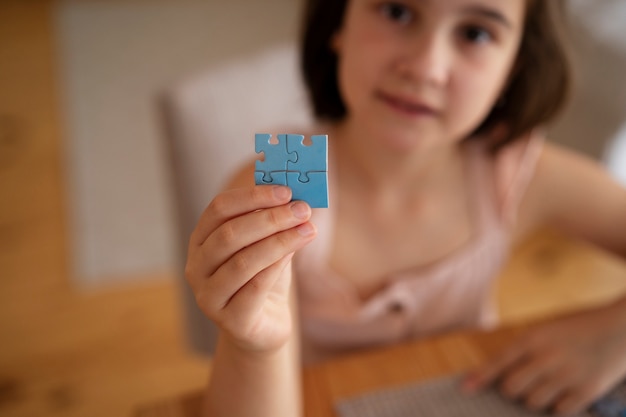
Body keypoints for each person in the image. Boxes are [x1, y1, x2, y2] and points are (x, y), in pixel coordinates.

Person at [184, 0, 626, 415]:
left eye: (474, 33)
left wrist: (617, 335)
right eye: (397, 11)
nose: (425, 67)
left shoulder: (515, 172)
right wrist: (254, 345)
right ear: (339, 22)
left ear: (514, 67)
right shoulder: (289, 170)